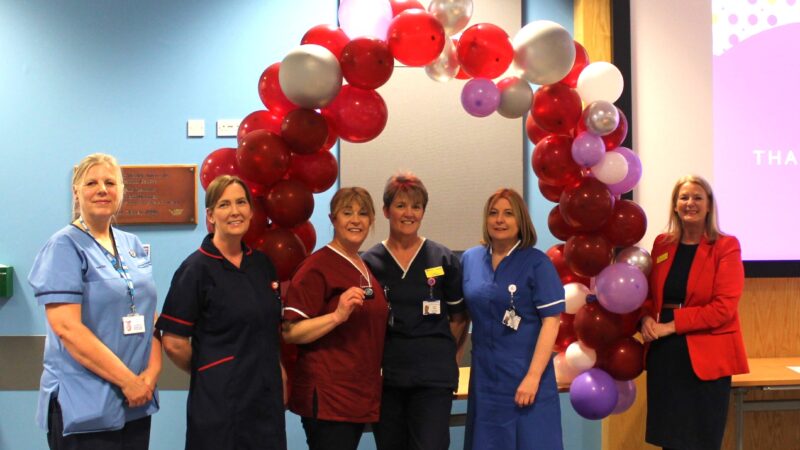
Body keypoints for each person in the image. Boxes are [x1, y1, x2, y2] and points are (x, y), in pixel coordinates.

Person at [28, 153, 160, 449]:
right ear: (76, 192)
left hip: (137, 400)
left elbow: (150, 318)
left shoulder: (132, 245)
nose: (102, 189)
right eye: (92, 182)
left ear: (122, 191)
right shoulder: (64, 246)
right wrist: (127, 381)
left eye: (110, 182)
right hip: (84, 402)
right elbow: (68, 330)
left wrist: (150, 375)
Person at [156, 175, 286, 450]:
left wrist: (279, 370)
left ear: (251, 210)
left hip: (265, 400)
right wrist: (212, 371)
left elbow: (267, 330)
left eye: (241, 202)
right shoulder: (196, 269)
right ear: (211, 215)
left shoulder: (262, 265)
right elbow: (174, 342)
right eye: (224, 204)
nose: (235, 211)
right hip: (219, 405)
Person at [362, 173, 469, 450]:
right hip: (388, 379)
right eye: (400, 205)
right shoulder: (369, 263)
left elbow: (459, 318)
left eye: (416, 206)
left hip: (433, 378)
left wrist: (447, 355)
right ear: (386, 211)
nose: (409, 213)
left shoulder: (443, 259)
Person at [640, 175, 748, 450]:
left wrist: (671, 325)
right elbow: (648, 295)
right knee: (670, 441)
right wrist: (645, 318)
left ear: (709, 206)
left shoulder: (725, 246)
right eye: (684, 197)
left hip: (706, 358)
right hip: (665, 356)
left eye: (698, 197)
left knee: (700, 441)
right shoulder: (662, 244)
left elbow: (723, 308)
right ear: (675, 205)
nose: (690, 203)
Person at [282, 187, 389, 450]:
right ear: (333, 219)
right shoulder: (317, 267)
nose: (356, 219)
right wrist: (336, 316)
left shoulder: (365, 267)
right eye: (347, 212)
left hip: (358, 395)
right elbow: (290, 332)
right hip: (329, 398)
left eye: (363, 213)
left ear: (372, 220)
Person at [461, 188, 565, 450]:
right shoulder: (470, 259)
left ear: (521, 221)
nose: (499, 220)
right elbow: (461, 316)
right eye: (493, 213)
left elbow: (551, 322)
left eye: (508, 214)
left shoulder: (537, 263)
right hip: (485, 378)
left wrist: (532, 377)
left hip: (527, 376)